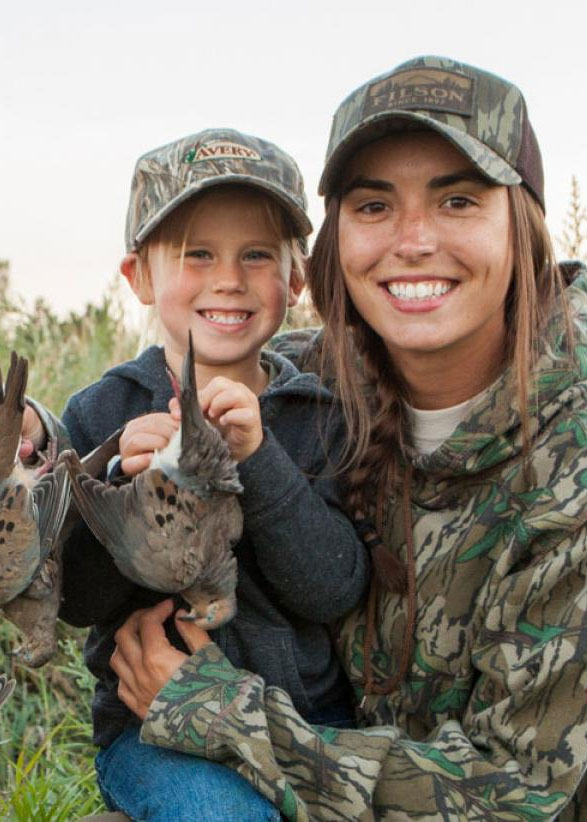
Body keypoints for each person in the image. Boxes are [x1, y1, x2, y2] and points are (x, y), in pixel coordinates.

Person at [112, 57, 587, 820]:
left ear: (522, 226)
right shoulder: (303, 387)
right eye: (372, 205)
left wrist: (216, 712)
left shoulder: (575, 451)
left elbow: (522, 796)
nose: (412, 240)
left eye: (457, 199)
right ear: (333, 241)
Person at [53, 128, 370, 820]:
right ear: (139, 277)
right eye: (197, 254)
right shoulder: (102, 412)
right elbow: (75, 600)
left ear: (294, 279)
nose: (228, 278)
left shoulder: (320, 414)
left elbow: (332, 589)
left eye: (256, 255)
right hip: (157, 731)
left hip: (311, 722)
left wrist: (258, 461)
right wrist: (124, 491)